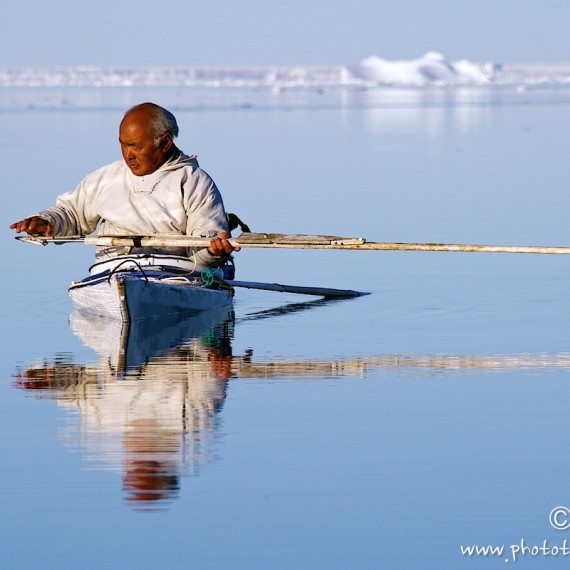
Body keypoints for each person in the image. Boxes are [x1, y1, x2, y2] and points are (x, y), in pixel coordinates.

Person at [10, 102, 238, 269]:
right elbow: (71, 213)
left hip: (175, 273)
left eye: (136, 147)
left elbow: (204, 243)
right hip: (111, 269)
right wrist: (47, 222)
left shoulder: (194, 182)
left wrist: (211, 251)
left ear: (166, 142)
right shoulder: (107, 177)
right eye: (123, 146)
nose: (128, 155)